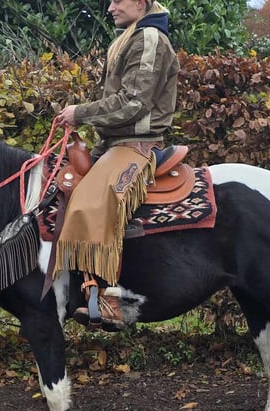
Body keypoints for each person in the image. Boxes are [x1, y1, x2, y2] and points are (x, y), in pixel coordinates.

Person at [54, 0, 180, 332]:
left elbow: (134, 102)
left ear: (140, 3)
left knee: (89, 202)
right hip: (112, 144)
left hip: (136, 145)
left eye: (117, 1)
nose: (110, 8)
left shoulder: (149, 37)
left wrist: (79, 113)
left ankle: (111, 299)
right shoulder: (130, 36)